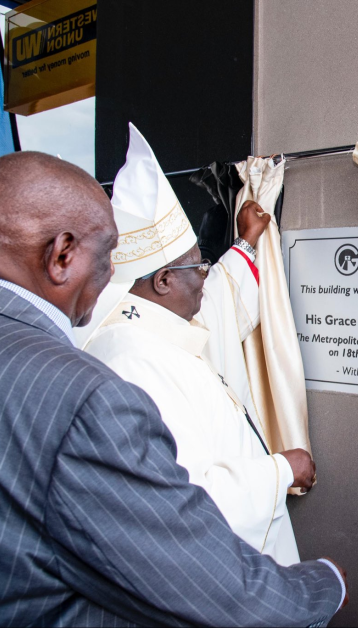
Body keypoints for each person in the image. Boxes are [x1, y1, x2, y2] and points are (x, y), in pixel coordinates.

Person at [0, 151, 347, 626]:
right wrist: (324, 584)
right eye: (106, 259)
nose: (111, 282)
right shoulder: (91, 395)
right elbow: (187, 569)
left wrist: (244, 244)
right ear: (62, 255)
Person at [79, 125, 310, 566]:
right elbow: (184, 500)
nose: (206, 275)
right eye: (198, 266)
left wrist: (246, 242)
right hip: (218, 570)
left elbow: (218, 291)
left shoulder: (150, 325)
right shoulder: (135, 366)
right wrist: (281, 470)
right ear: (164, 281)